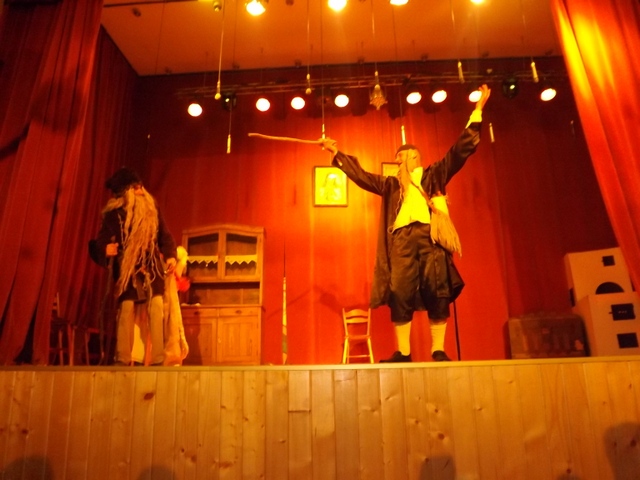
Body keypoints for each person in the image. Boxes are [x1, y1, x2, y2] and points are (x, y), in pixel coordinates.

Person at [320, 84, 491, 362]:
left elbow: (460, 150)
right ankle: (403, 352)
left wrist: (478, 111)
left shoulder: (434, 174)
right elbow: (362, 176)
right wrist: (336, 153)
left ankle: (438, 349)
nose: (396, 160)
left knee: (436, 288)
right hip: (401, 241)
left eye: (400, 156)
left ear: (413, 156)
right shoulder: (391, 185)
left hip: (430, 238)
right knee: (399, 290)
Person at [90, 167, 177, 366]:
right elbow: (100, 241)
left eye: (140, 186)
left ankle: (158, 358)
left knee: (156, 307)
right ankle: (122, 357)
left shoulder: (152, 208)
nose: (141, 189)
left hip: (151, 265)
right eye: (135, 187)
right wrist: (105, 249)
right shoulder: (113, 214)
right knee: (126, 309)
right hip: (127, 267)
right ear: (126, 192)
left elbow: (164, 235)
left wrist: (170, 255)